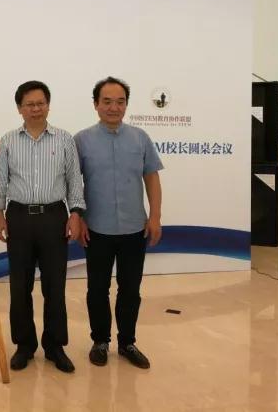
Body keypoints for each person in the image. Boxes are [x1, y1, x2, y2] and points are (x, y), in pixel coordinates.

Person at [0, 80, 85, 373]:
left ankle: (55, 346)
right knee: (19, 286)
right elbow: (1, 181)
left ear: (48, 105)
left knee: (54, 286)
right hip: (19, 217)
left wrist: (75, 213)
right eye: (29, 104)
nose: (36, 109)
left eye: (41, 103)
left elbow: (74, 180)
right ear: (19, 108)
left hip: (54, 217)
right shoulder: (8, 141)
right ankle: (24, 345)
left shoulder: (64, 139)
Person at [74, 76, 163, 370]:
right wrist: (79, 217)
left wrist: (155, 217)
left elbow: (152, 178)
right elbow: (73, 184)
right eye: (107, 101)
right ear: (96, 104)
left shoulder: (140, 138)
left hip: (134, 229)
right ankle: (100, 341)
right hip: (96, 229)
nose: (114, 107)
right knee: (97, 289)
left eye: (120, 101)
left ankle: (127, 343)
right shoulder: (81, 140)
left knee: (130, 289)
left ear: (126, 104)